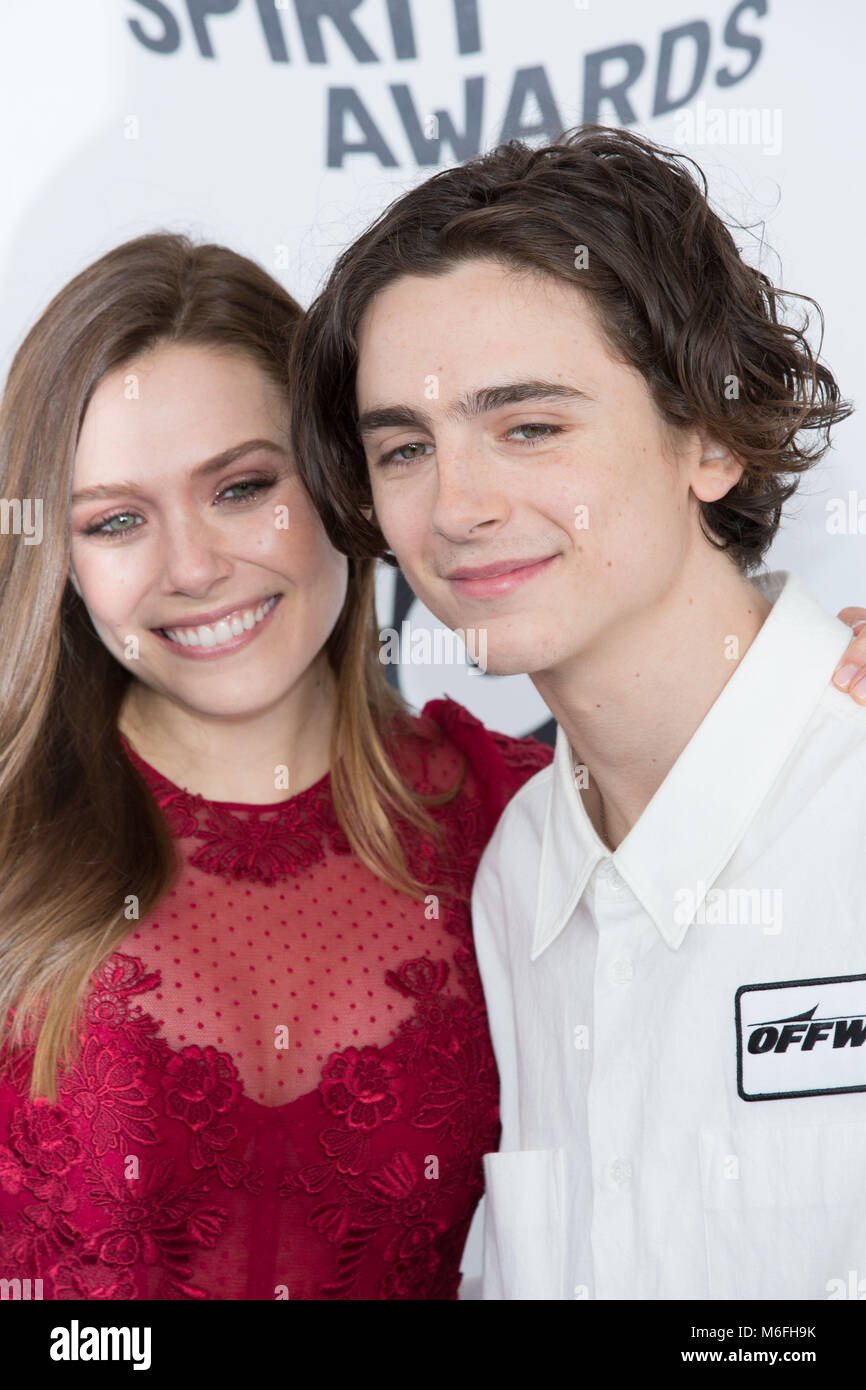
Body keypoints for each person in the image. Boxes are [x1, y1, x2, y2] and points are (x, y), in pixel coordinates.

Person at [287, 123, 866, 1299]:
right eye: (404, 448)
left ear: (706, 434)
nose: (455, 507)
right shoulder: (515, 872)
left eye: (529, 426)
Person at [0, 232, 552, 1300]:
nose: (196, 567)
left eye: (243, 487)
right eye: (116, 521)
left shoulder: (512, 820)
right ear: (58, 562)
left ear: (338, 480)